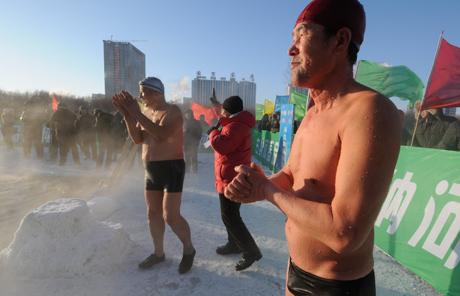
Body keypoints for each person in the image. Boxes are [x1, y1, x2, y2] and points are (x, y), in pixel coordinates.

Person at [224, 0, 401, 295]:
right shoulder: (312, 112)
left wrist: (268, 191)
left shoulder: (369, 111)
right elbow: (292, 174)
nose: (290, 50)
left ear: (340, 40)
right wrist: (257, 186)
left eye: (302, 36)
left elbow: (346, 233)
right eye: (291, 39)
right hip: (297, 270)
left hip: (338, 286)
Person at [112, 76, 195, 274]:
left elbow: (161, 134)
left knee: (171, 216)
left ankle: (189, 250)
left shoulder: (172, 110)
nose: (140, 96)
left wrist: (136, 113)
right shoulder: (146, 112)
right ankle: (159, 253)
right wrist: (127, 116)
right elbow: (138, 139)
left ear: (156, 93)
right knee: (153, 214)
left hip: (171, 167)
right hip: (150, 169)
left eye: (144, 92)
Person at [208, 95, 262, 271]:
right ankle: (233, 244)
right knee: (229, 215)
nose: (221, 112)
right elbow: (222, 118)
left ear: (229, 110)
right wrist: (216, 105)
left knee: (231, 217)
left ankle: (250, 251)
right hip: (229, 177)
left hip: (231, 180)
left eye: (223, 108)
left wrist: (213, 133)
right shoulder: (237, 122)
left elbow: (222, 145)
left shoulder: (235, 127)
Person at [183, 109, 202, 173]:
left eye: (188, 114)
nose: (187, 115)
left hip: (194, 142)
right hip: (186, 142)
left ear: (191, 114)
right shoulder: (184, 122)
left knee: (194, 156)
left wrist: (197, 140)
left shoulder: (196, 122)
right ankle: (187, 169)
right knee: (187, 156)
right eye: (186, 114)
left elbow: (200, 132)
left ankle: (194, 169)